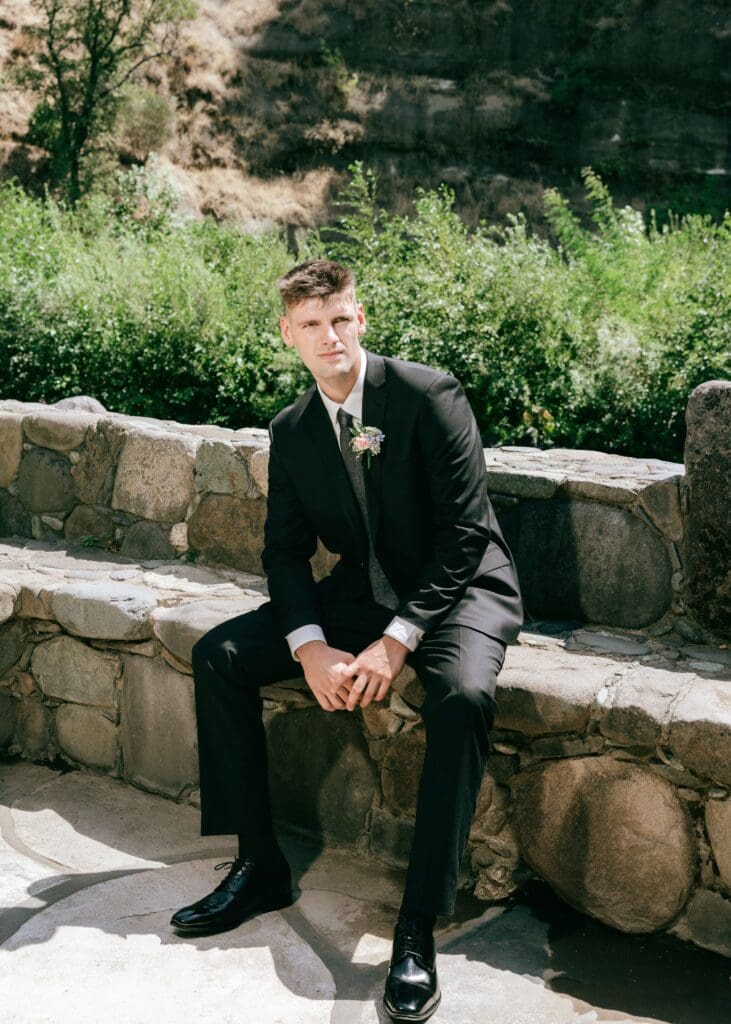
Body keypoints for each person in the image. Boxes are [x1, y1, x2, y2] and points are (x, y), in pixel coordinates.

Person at [170, 258, 524, 1023]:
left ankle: (418, 922)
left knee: (461, 697)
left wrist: (395, 644)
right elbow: (285, 551)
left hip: (457, 594)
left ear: (360, 319)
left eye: (339, 320)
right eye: (310, 326)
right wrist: (308, 646)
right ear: (288, 335)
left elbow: (465, 537)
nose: (328, 337)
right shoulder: (293, 430)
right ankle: (260, 865)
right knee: (219, 656)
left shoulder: (429, 397)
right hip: (359, 595)